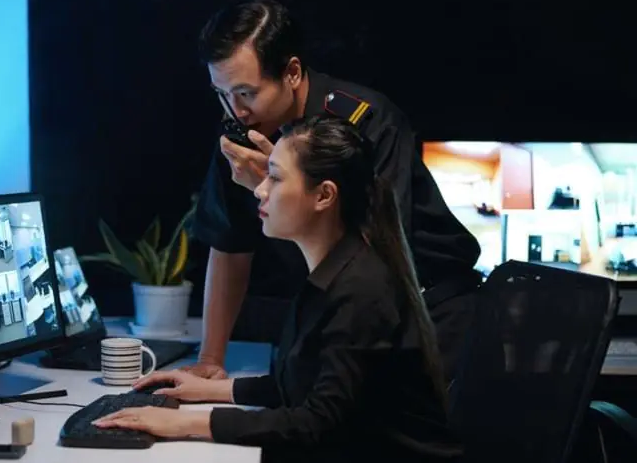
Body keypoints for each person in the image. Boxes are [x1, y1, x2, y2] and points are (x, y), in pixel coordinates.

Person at [93, 115, 463, 462]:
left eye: (275, 177)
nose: (260, 191)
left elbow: (317, 422)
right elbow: (302, 385)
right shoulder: (334, 272)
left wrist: (186, 423)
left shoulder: (362, 289)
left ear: (324, 196)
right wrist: (210, 390)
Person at [186, 0, 481, 382]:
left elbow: (376, 257)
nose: (236, 110)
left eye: (247, 93)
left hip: (428, 309)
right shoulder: (242, 133)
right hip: (335, 311)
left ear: (292, 72)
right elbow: (229, 244)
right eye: (222, 94)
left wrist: (272, 185)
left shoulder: (367, 122)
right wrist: (210, 360)